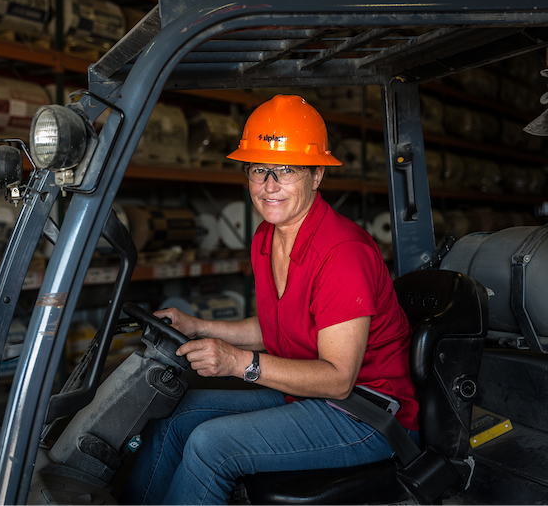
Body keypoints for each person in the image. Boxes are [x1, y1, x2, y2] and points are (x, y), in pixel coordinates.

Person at [120, 95, 419, 506]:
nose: (269, 185)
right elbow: (279, 326)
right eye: (259, 170)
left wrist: (237, 362)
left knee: (211, 444)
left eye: (287, 170)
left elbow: (337, 378)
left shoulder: (343, 253)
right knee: (173, 412)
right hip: (308, 393)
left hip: (365, 414)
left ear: (317, 175)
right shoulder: (266, 238)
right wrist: (198, 325)